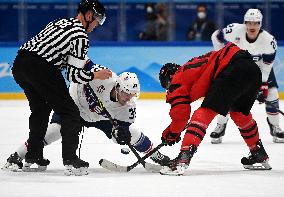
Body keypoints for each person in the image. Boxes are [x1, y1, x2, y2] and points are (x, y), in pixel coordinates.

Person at [3, 61, 170, 175]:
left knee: (132, 133)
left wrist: (122, 135)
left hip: (99, 117)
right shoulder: (104, 76)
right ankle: (16, 156)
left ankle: (157, 156)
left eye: (133, 95)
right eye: (126, 93)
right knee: (53, 132)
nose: (128, 98)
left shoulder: (128, 108)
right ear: (118, 86)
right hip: (73, 105)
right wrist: (89, 76)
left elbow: (124, 129)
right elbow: (82, 62)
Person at [11, 0, 111, 176]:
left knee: (40, 109)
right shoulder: (80, 36)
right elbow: (74, 76)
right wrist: (96, 75)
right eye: (97, 21)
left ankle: (33, 155)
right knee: (70, 112)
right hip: (42, 66)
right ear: (89, 16)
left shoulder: (60, 22)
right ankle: (71, 160)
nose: (96, 26)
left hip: (20, 63)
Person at [158, 42, 272, 176]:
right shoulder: (191, 68)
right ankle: (258, 153)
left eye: (166, 85)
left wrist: (172, 133)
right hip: (252, 69)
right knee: (239, 113)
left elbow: (181, 116)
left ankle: (183, 158)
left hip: (232, 69)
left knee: (204, 113)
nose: (168, 88)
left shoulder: (177, 79)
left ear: (169, 78)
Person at [210, 8, 284, 144]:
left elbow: (267, 65)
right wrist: (220, 57)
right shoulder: (234, 30)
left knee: (272, 93)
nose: (252, 26)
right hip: (238, 68)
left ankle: (275, 127)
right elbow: (215, 36)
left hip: (260, 69)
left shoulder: (268, 40)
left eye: (255, 23)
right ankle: (221, 125)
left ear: (260, 24)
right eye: (249, 23)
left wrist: (263, 84)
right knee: (225, 95)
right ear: (245, 23)